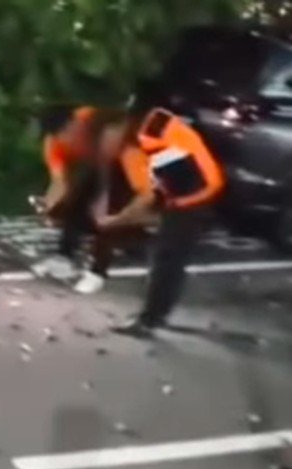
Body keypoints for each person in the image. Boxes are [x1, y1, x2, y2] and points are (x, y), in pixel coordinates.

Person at [93, 108, 226, 338]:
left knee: (168, 256)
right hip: (185, 189)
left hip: (197, 193)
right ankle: (158, 313)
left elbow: (149, 198)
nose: (105, 147)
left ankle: (150, 320)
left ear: (119, 126)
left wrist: (115, 221)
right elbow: (150, 194)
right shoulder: (135, 143)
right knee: (169, 255)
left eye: (105, 138)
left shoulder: (153, 134)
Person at [31, 105, 119, 293]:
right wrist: (48, 205)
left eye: (68, 131)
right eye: (59, 134)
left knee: (109, 211)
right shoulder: (54, 145)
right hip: (96, 165)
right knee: (76, 202)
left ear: (75, 122)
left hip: (124, 160)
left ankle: (98, 272)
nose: (65, 138)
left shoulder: (93, 118)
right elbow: (60, 182)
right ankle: (64, 257)